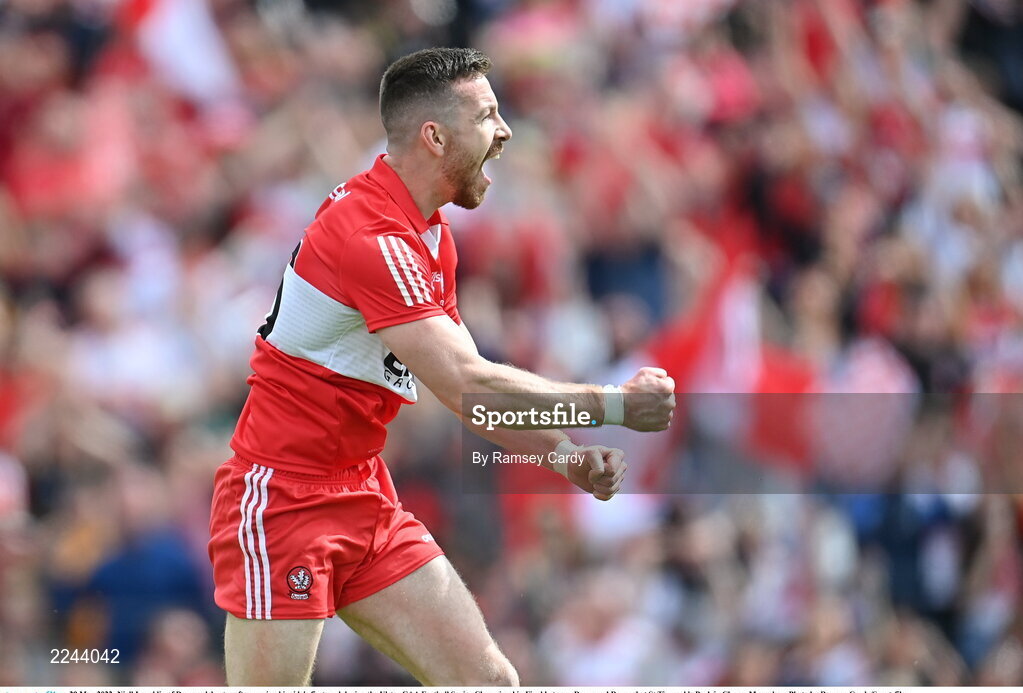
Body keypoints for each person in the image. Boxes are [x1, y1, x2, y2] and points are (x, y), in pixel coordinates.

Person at [207, 47, 676, 686]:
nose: (506, 131)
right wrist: (615, 405)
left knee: (490, 683)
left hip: (363, 494)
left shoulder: (429, 236)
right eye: (487, 115)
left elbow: (475, 399)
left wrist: (564, 453)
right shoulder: (371, 238)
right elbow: (468, 385)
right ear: (434, 136)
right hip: (283, 502)